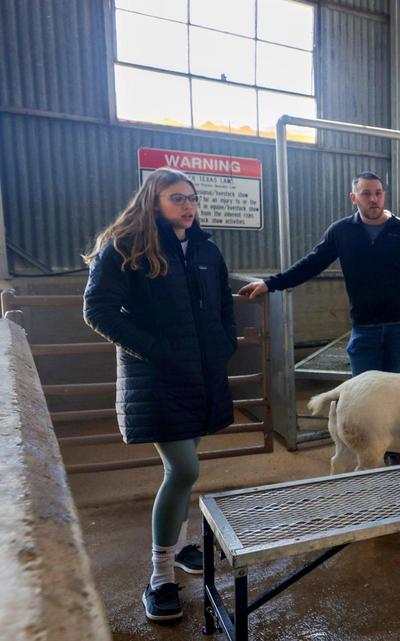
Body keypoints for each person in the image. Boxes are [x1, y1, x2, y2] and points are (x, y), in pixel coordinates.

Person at [83, 168, 237, 623]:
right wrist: (154, 351)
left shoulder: (206, 248)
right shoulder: (126, 247)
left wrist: (224, 342)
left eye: (192, 198)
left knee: (185, 471)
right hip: (158, 378)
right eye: (177, 198)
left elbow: (224, 304)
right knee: (183, 468)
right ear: (154, 201)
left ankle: (182, 544)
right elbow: (98, 310)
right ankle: (160, 576)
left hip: (201, 375)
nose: (188, 206)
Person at [238, 171, 400, 464]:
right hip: (365, 327)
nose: (373, 199)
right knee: (362, 395)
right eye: (366, 193)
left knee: (399, 394)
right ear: (354, 198)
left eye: (377, 192)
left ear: (384, 195)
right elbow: (311, 264)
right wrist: (270, 283)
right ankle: (362, 450)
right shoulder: (341, 232)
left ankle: (393, 452)